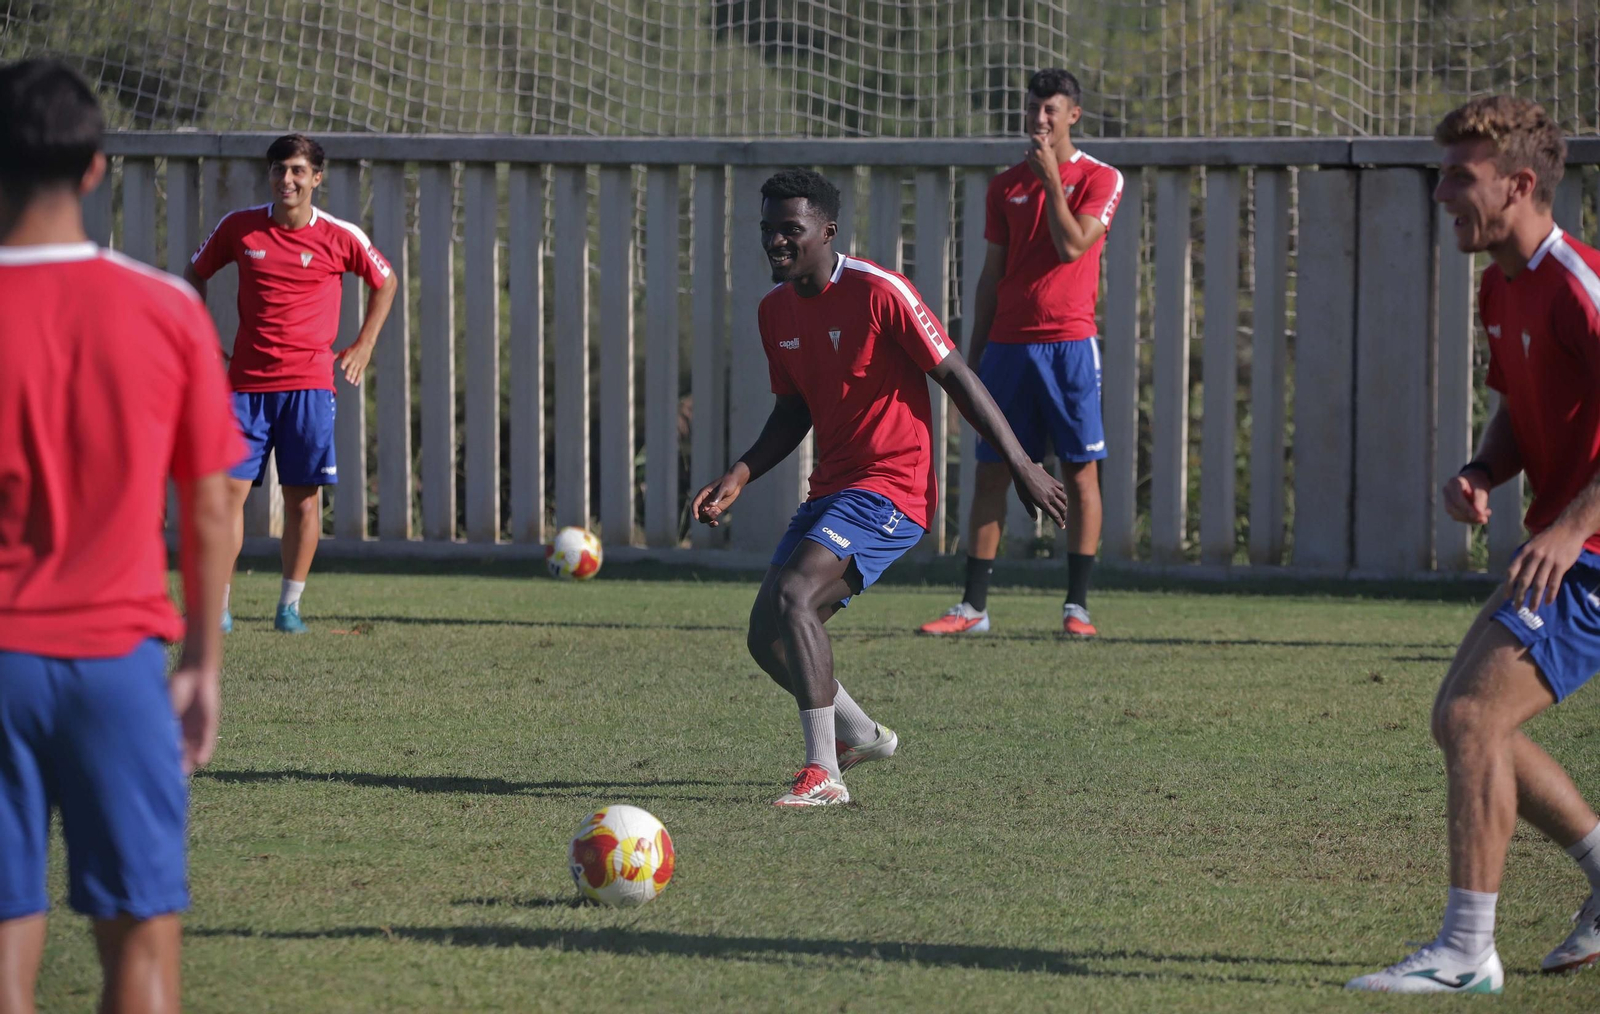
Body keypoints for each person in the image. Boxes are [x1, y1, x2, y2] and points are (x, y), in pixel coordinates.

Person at [691, 169, 1069, 807]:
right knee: (767, 636)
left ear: (827, 231)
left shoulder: (879, 290)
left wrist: (1023, 463)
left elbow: (958, 377)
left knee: (795, 595)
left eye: (792, 230)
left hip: (893, 488)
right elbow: (793, 410)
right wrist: (742, 471)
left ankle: (824, 775)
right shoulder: (773, 311)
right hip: (833, 489)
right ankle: (861, 735)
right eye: (768, 230)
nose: (776, 242)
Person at [0, 58, 241, 1014]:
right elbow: (214, 504)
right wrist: (206, 663)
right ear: (96, 169)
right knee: (141, 956)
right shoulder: (167, 309)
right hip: (119, 665)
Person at [1347, 96, 1600, 995]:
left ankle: (1464, 955)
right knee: (1462, 721)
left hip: (1596, 549)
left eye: (1461, 175)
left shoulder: (1577, 280)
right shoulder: (1502, 282)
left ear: (1520, 184)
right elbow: (1523, 411)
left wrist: (1571, 529)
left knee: (1471, 721)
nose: (1441, 191)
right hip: (1572, 543)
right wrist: (1485, 470)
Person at [919, 68, 1123, 640]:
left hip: (1069, 346)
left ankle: (1076, 608)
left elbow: (1072, 246)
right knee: (991, 470)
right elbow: (990, 276)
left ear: (1073, 115)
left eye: (1050, 110)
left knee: (1080, 473)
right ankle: (972, 607)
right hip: (1008, 347)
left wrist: (1053, 182)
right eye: (1033, 109)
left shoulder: (1101, 178)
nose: (1039, 120)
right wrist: (972, 358)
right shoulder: (1003, 185)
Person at [185, 133, 397, 634]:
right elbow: (193, 274)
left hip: (309, 387)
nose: (288, 180)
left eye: (299, 170)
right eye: (280, 169)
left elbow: (385, 280)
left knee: (303, 500)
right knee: (228, 493)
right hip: (245, 388)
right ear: (270, 175)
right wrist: (203, 341)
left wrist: (364, 342)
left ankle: (289, 608)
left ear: (316, 178)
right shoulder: (238, 227)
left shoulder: (340, 235)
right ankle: (218, 607)